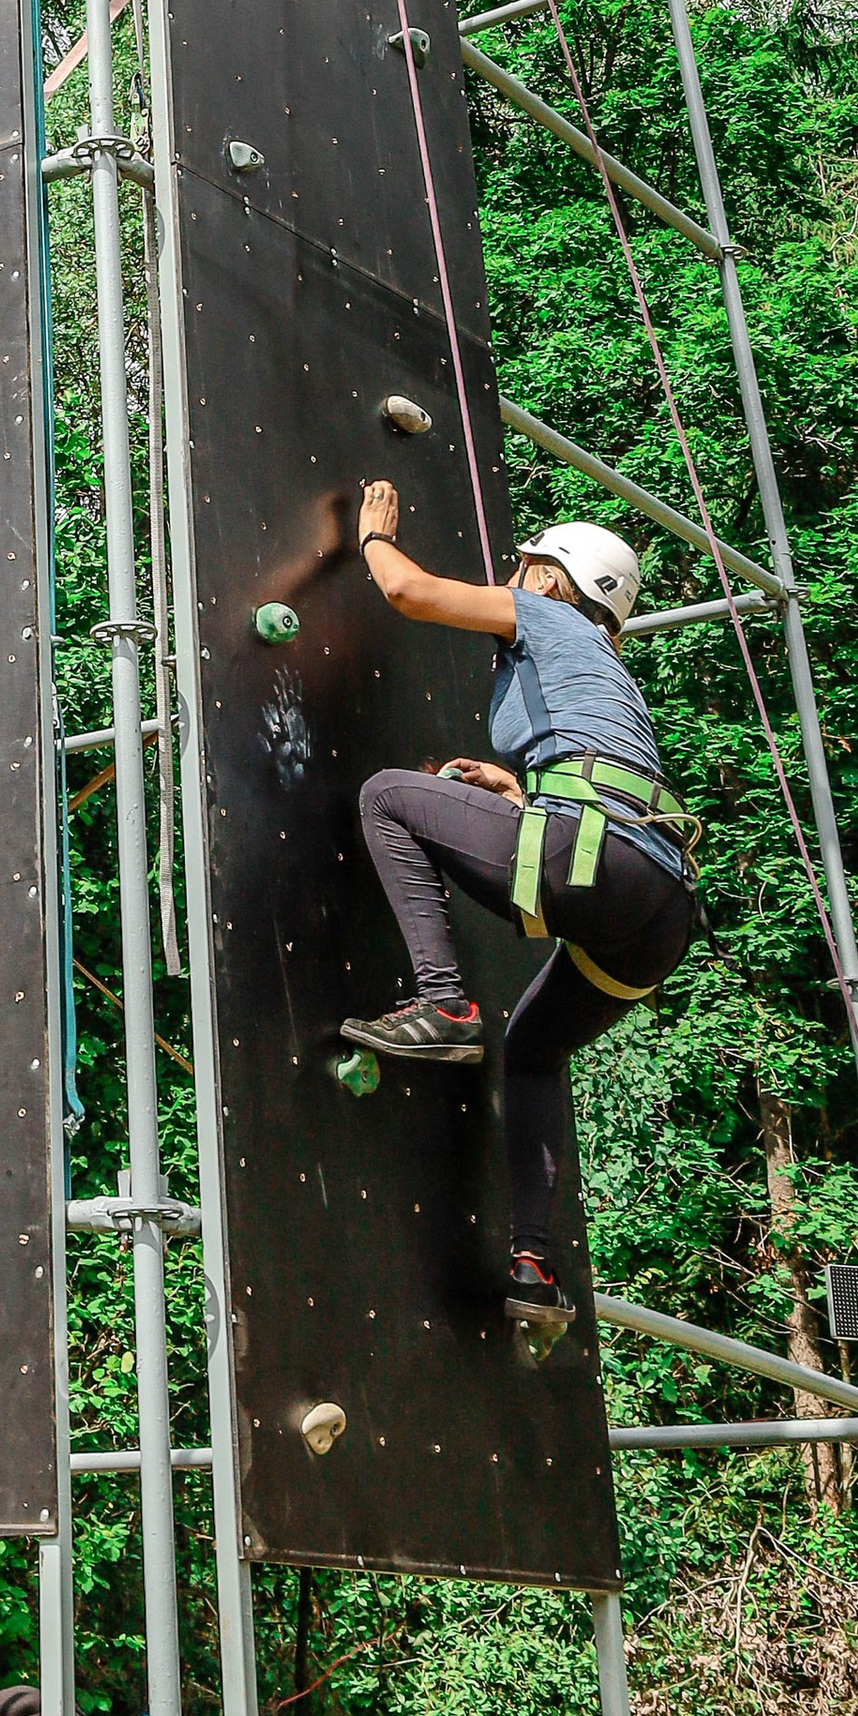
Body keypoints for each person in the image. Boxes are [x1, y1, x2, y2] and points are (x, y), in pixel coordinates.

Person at [345, 481, 700, 1325]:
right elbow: (605, 776)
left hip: (596, 854)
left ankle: (443, 1003)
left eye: (521, 566)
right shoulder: (607, 664)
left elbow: (407, 591)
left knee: (386, 796)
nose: (511, 576)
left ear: (547, 578)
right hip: (662, 908)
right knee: (535, 1049)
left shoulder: (542, 612)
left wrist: (372, 536)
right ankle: (533, 1269)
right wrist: (518, 790)